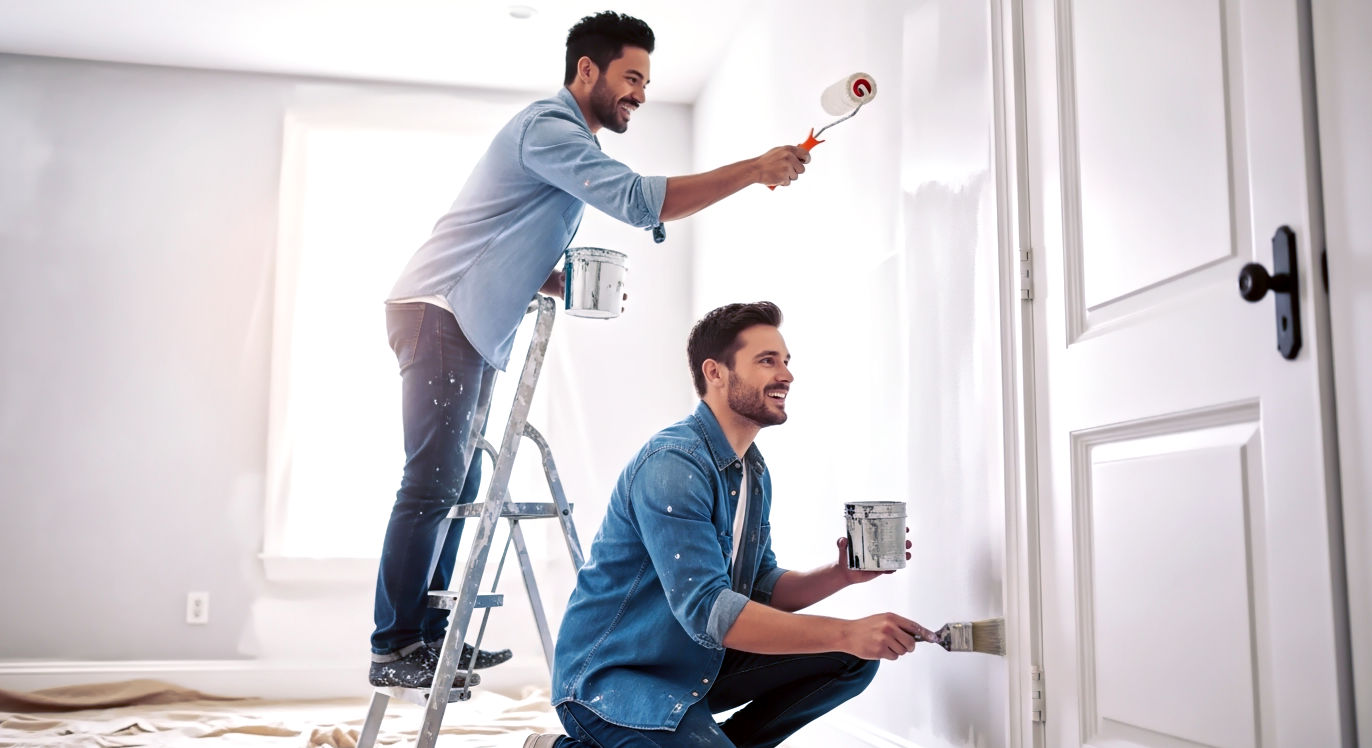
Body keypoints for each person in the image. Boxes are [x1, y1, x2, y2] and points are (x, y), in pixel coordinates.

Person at [369, 11, 812, 689]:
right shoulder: (549, 129)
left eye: (646, 81)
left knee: (460, 485)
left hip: (468, 319)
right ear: (587, 70)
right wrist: (754, 168)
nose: (639, 92)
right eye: (631, 77)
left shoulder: (564, 142)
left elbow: (510, 234)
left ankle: (431, 638)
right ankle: (395, 646)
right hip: (443, 311)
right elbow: (637, 200)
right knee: (433, 481)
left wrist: (555, 277)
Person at [523, 302, 932, 748]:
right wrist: (848, 630)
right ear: (715, 373)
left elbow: (758, 588)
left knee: (850, 658)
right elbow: (710, 611)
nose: (786, 375)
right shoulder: (673, 465)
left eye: (786, 361)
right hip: (616, 678)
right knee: (845, 639)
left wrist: (840, 576)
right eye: (767, 361)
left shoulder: (751, 471)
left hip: (694, 659)